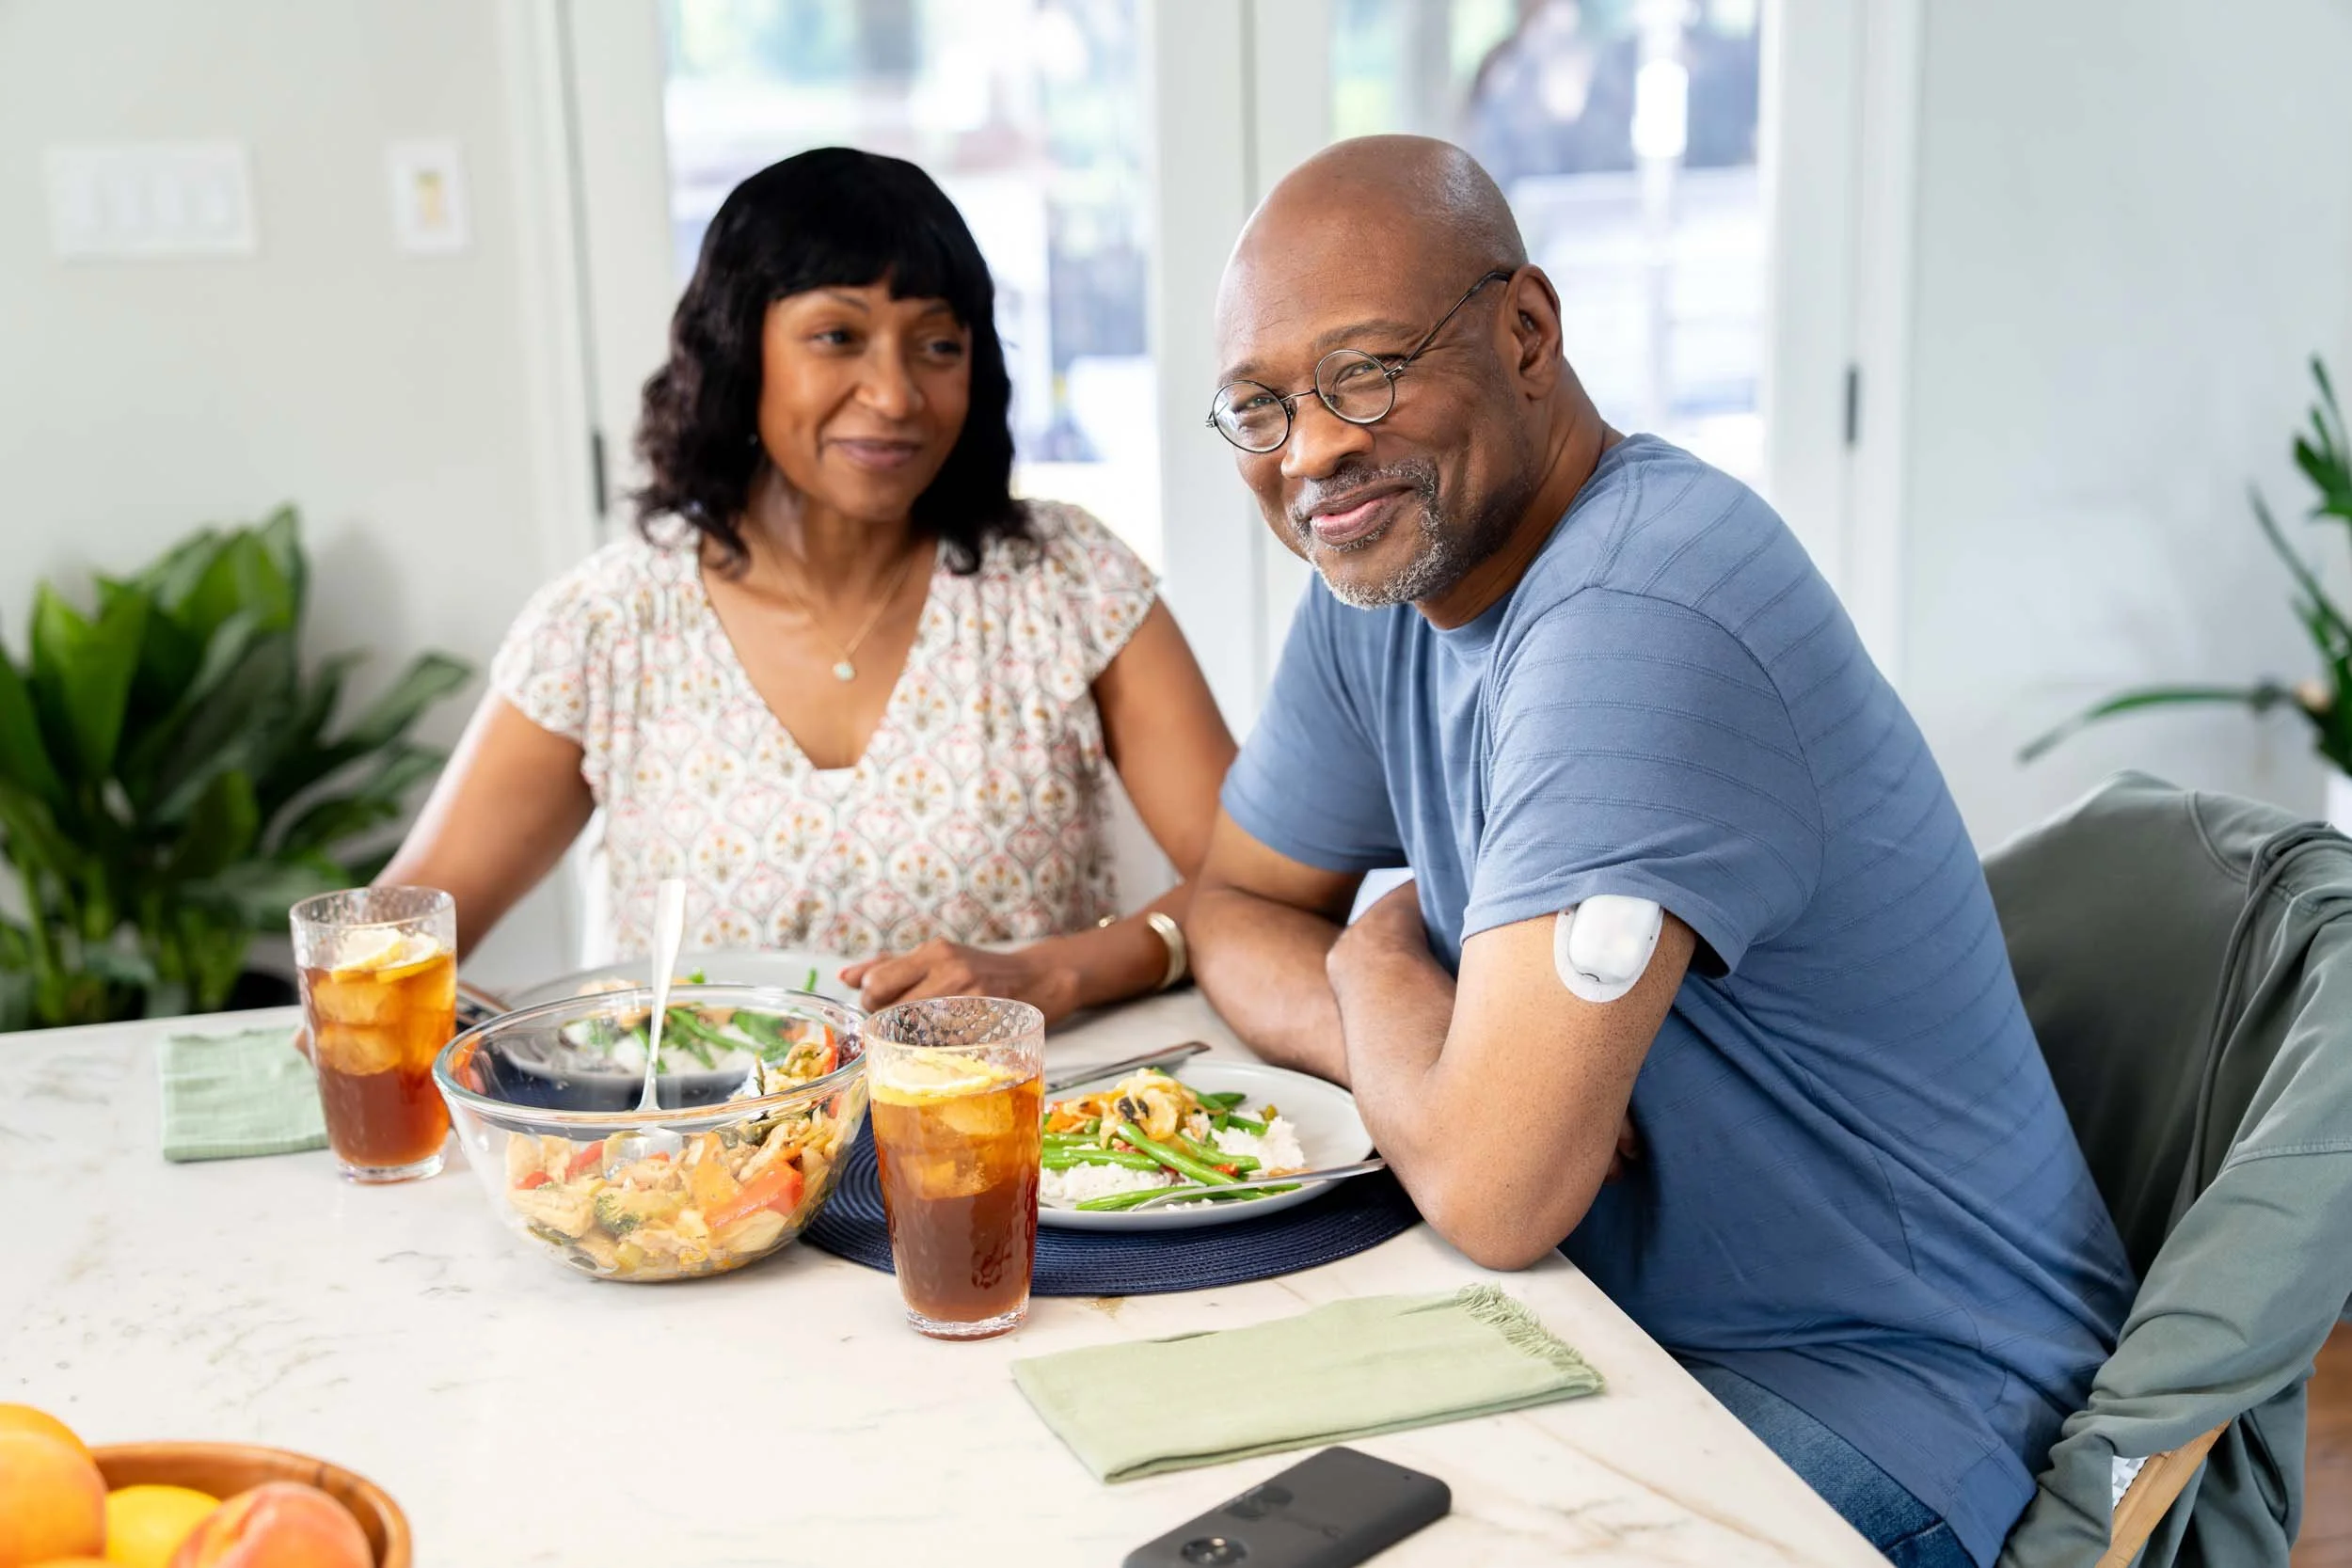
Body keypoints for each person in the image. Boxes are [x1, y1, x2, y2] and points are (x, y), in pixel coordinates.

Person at [1187, 135, 2134, 1567]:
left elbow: (1501, 1192)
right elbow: (1235, 899)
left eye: (1366, 370)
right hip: (1623, 1334)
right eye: (1261, 408)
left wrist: (1389, 983)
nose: (1315, 448)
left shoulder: (1642, 613)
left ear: (1528, 332)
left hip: (1910, 1396)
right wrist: (1398, 1019)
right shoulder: (1385, 579)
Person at [383, 148, 1233, 1022]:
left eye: (938, 344)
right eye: (838, 336)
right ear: (738, 351)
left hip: (1015, 1138)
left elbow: (1255, 882)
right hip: (698, 1152)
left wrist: (1064, 972)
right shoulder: (607, 625)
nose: (897, 394)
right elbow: (388, 937)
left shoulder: (1069, 580)